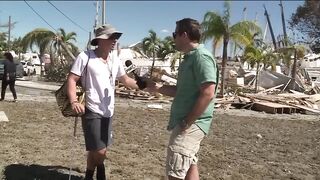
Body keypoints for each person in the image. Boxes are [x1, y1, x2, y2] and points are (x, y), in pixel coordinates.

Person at [146, 18, 219, 180]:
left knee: (175, 173)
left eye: (175, 34)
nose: (173, 38)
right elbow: (181, 91)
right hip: (187, 122)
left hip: (191, 124)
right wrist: (157, 88)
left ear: (184, 35)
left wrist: (187, 122)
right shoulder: (189, 58)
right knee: (190, 165)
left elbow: (208, 92)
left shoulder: (201, 57)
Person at [67, 24, 141, 180]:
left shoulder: (114, 59)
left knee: (96, 149)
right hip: (91, 108)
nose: (114, 40)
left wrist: (142, 85)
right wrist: (74, 101)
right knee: (100, 151)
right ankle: (101, 171)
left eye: (116, 37)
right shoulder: (85, 57)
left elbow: (125, 79)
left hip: (109, 110)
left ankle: (88, 175)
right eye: (111, 37)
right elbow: (72, 79)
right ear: (99, 40)